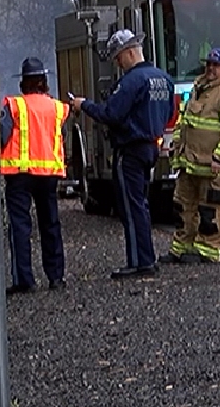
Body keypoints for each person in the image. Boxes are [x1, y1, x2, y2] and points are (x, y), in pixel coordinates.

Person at [71, 30, 174, 279]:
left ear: (129, 53)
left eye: (118, 57)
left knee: (130, 207)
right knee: (141, 204)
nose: (117, 63)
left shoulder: (131, 82)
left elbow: (111, 114)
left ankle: (139, 262)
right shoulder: (163, 78)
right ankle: (145, 257)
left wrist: (83, 105)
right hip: (150, 146)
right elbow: (170, 112)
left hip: (130, 149)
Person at [161, 47, 220, 264]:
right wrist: (177, 149)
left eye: (216, 65)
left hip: (213, 167)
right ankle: (182, 249)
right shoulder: (199, 87)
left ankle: (208, 252)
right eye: (208, 64)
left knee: (210, 212)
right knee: (184, 208)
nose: (210, 68)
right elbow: (185, 122)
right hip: (190, 164)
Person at [0, 57, 71, 294]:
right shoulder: (57, 108)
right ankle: (56, 277)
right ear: (44, 82)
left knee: (20, 226)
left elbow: (1, 136)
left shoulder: (14, 106)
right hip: (48, 174)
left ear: (23, 83)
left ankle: (24, 279)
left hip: (19, 174)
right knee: (50, 224)